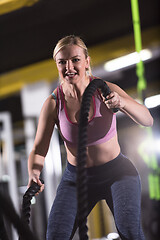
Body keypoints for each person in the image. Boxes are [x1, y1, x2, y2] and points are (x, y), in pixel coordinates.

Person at [27, 35, 153, 240]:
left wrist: (121, 103)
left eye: (75, 59)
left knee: (130, 231)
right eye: (62, 62)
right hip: (76, 178)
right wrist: (33, 171)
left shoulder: (105, 89)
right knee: (55, 235)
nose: (69, 66)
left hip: (117, 173)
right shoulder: (53, 103)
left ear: (87, 61)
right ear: (56, 65)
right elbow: (39, 148)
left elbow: (147, 120)